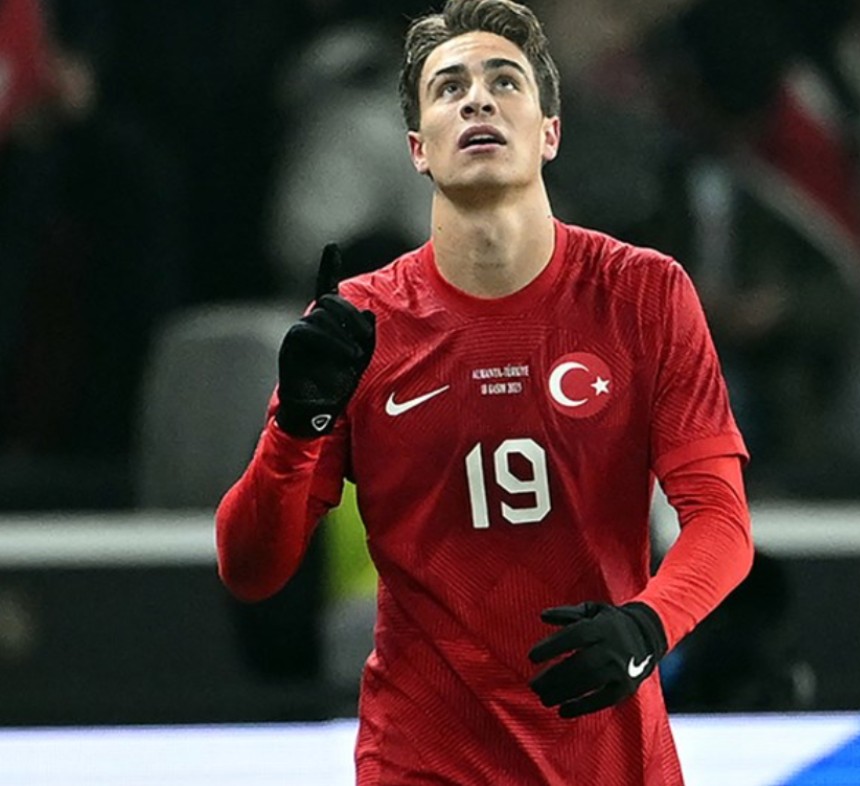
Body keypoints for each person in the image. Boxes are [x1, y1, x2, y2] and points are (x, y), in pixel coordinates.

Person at [214, 1, 754, 783]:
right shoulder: (360, 322)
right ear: (417, 148)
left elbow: (722, 522)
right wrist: (296, 429)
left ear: (550, 132)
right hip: (424, 762)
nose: (477, 101)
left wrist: (648, 625)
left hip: (605, 761)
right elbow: (250, 569)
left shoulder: (643, 294)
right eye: (449, 88)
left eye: (505, 81)